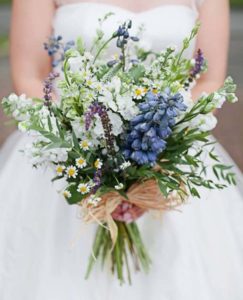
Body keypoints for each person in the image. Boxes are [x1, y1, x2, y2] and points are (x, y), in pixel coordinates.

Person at [1, 0, 243, 299]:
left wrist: (155, 153)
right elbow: (30, 77)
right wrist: (86, 152)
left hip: (167, 149)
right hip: (65, 159)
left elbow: (209, 80)